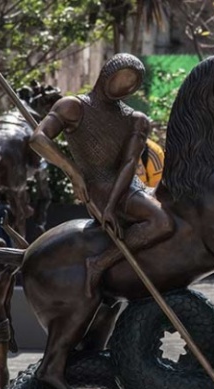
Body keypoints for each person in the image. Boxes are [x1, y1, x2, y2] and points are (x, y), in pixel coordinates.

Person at [29, 54, 174, 296]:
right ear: (106, 74)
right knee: (161, 222)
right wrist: (73, 171)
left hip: (127, 186)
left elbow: (129, 163)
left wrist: (113, 205)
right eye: (121, 78)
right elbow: (38, 139)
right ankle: (100, 262)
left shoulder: (135, 119)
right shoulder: (72, 107)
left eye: (132, 83)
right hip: (97, 185)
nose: (125, 86)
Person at [0, 237, 18, 389]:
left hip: (0, 322)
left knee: (2, 367)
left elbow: (27, 250)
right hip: (1, 322)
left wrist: (9, 229)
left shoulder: (7, 273)